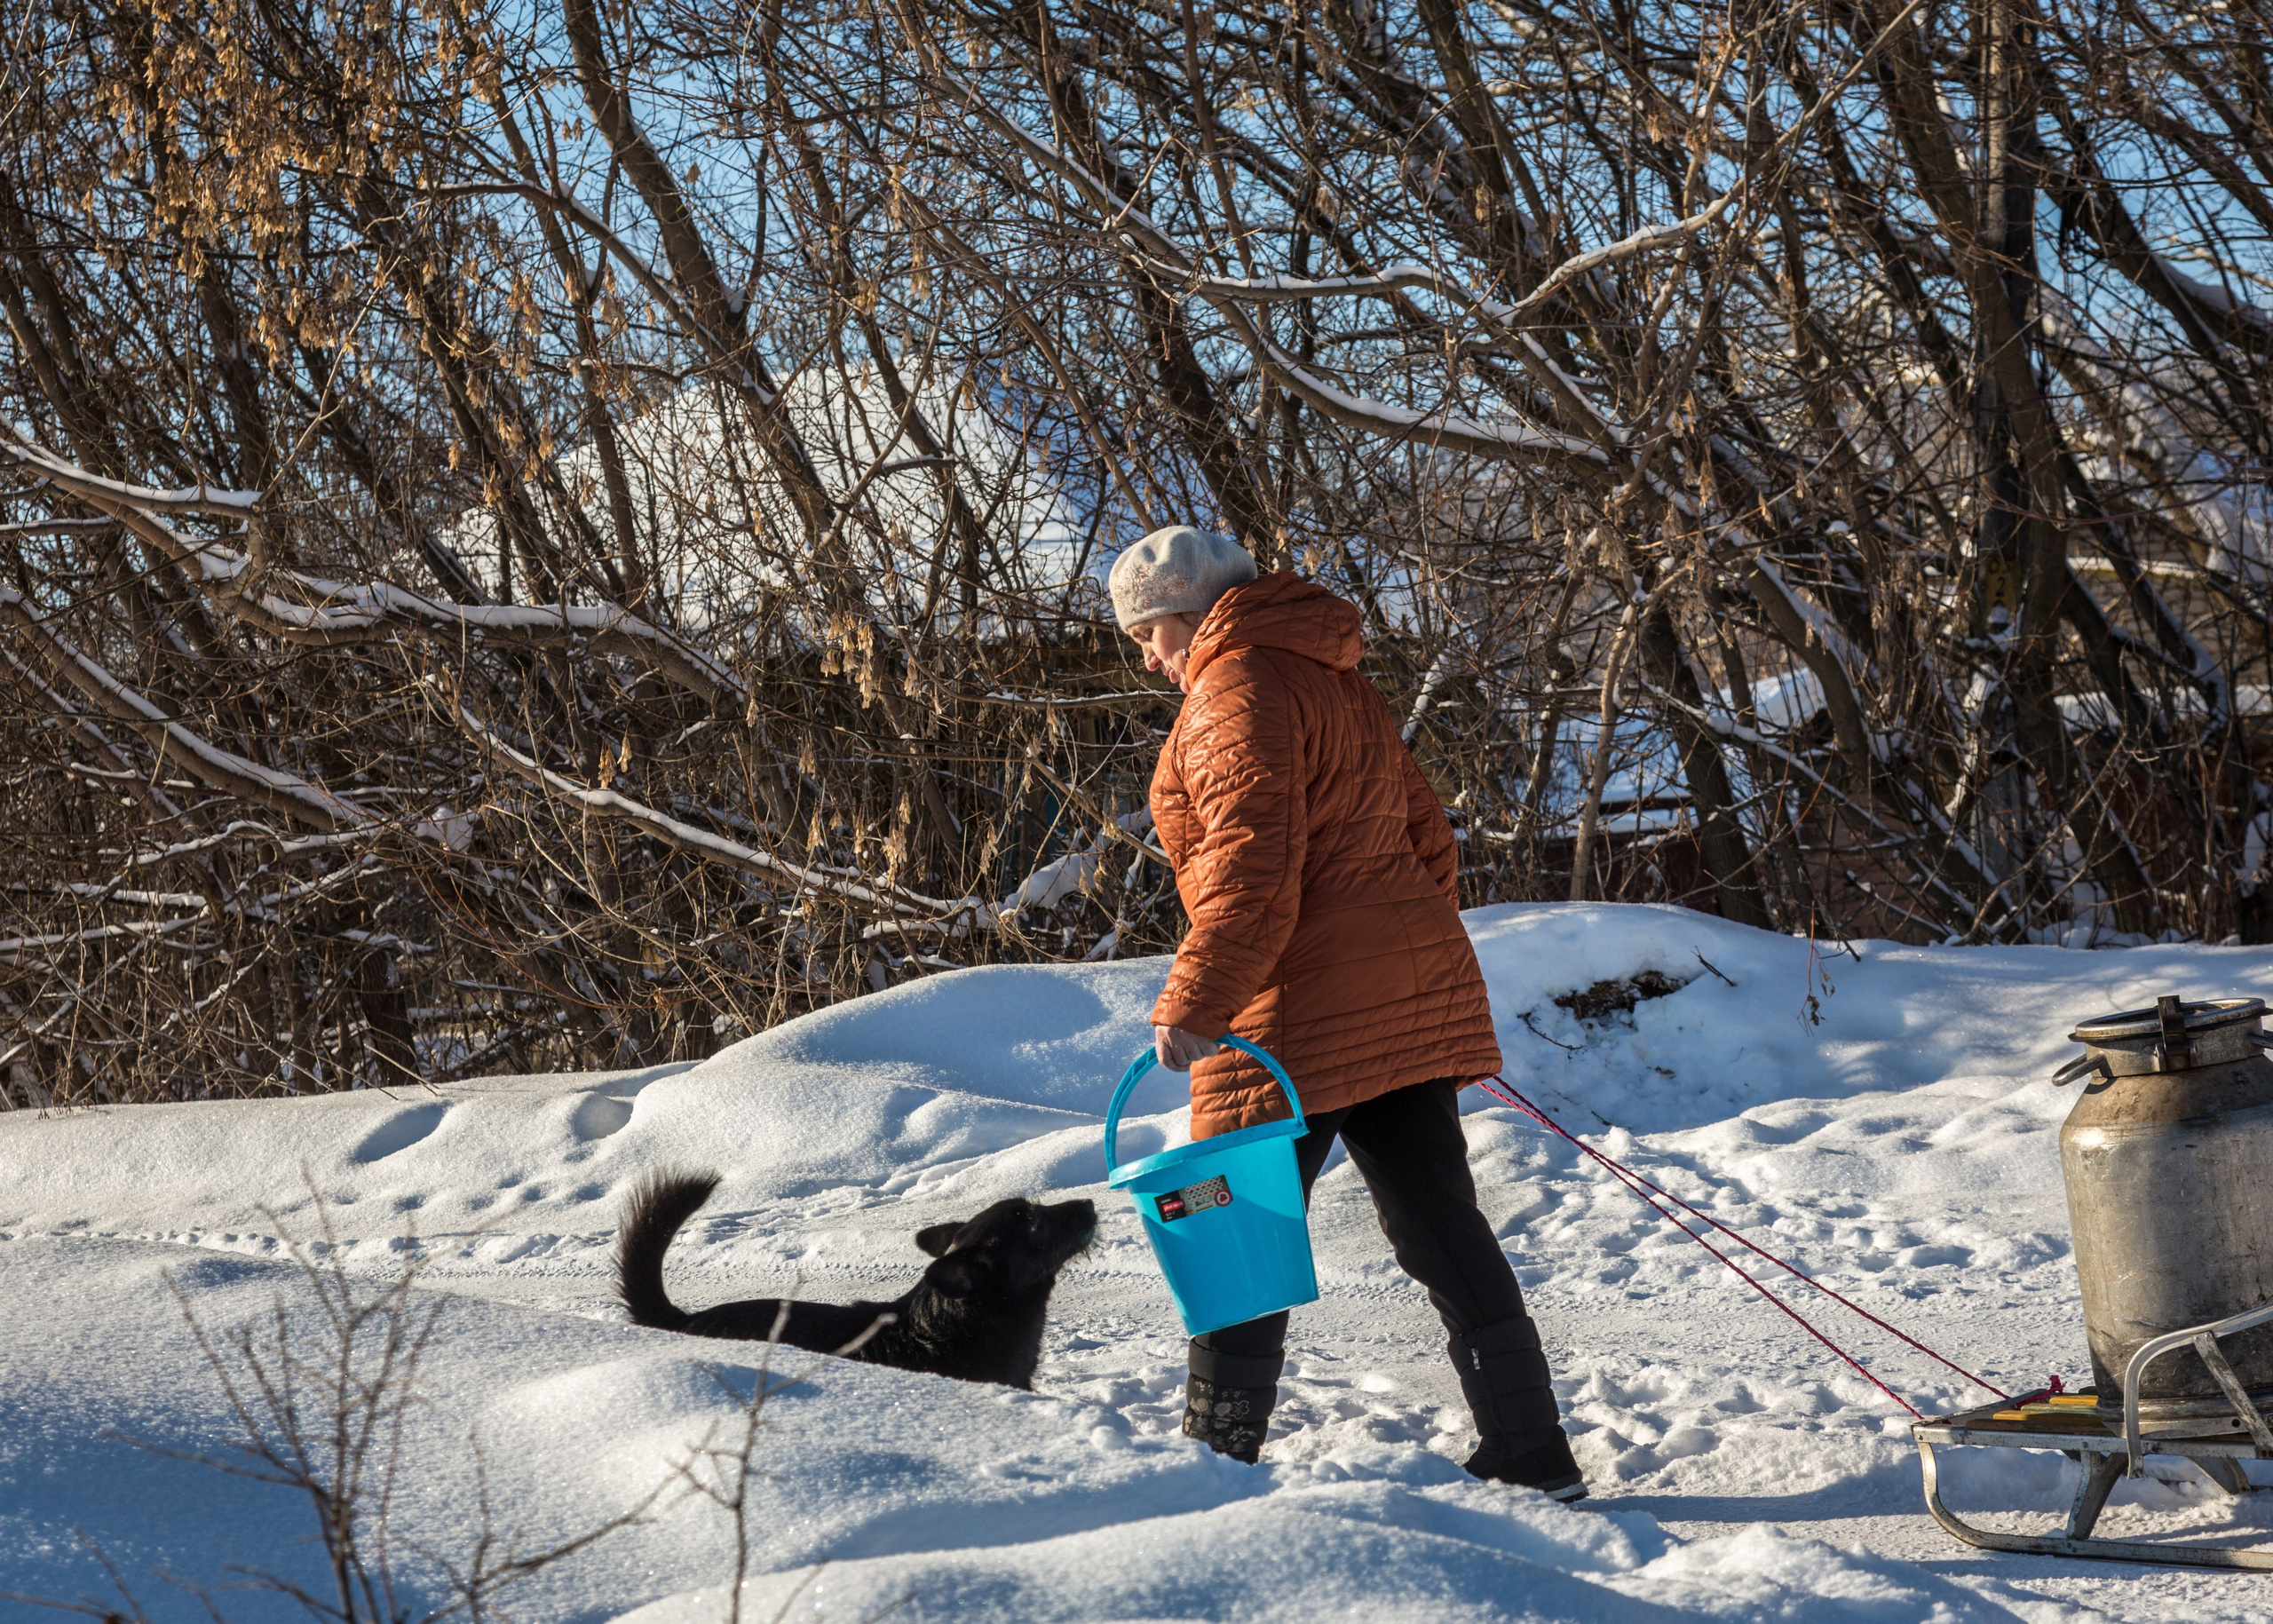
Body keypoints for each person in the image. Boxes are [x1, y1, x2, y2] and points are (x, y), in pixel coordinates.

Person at [1109, 524, 1586, 1501]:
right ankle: (1532, 1452)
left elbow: (1250, 861)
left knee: (1229, 1233)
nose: (1149, 659)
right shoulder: (1333, 676)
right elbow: (1425, 832)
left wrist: (1200, 993)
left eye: (1148, 635)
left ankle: (1209, 1471)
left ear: (1184, 615)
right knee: (1437, 1223)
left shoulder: (1234, 688)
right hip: (1392, 990)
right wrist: (1399, 949)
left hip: (1292, 1006)